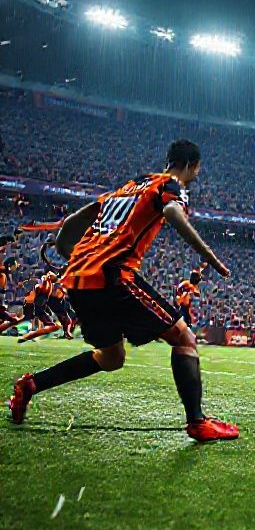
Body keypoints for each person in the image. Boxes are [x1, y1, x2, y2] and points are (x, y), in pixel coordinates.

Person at [9, 139, 239, 442]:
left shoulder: (127, 188)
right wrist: (210, 257)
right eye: (197, 169)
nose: (196, 174)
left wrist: (72, 256)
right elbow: (172, 212)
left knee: (111, 357)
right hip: (114, 275)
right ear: (191, 165)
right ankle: (198, 422)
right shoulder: (170, 185)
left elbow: (74, 222)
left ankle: (31, 385)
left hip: (80, 278)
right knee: (184, 338)